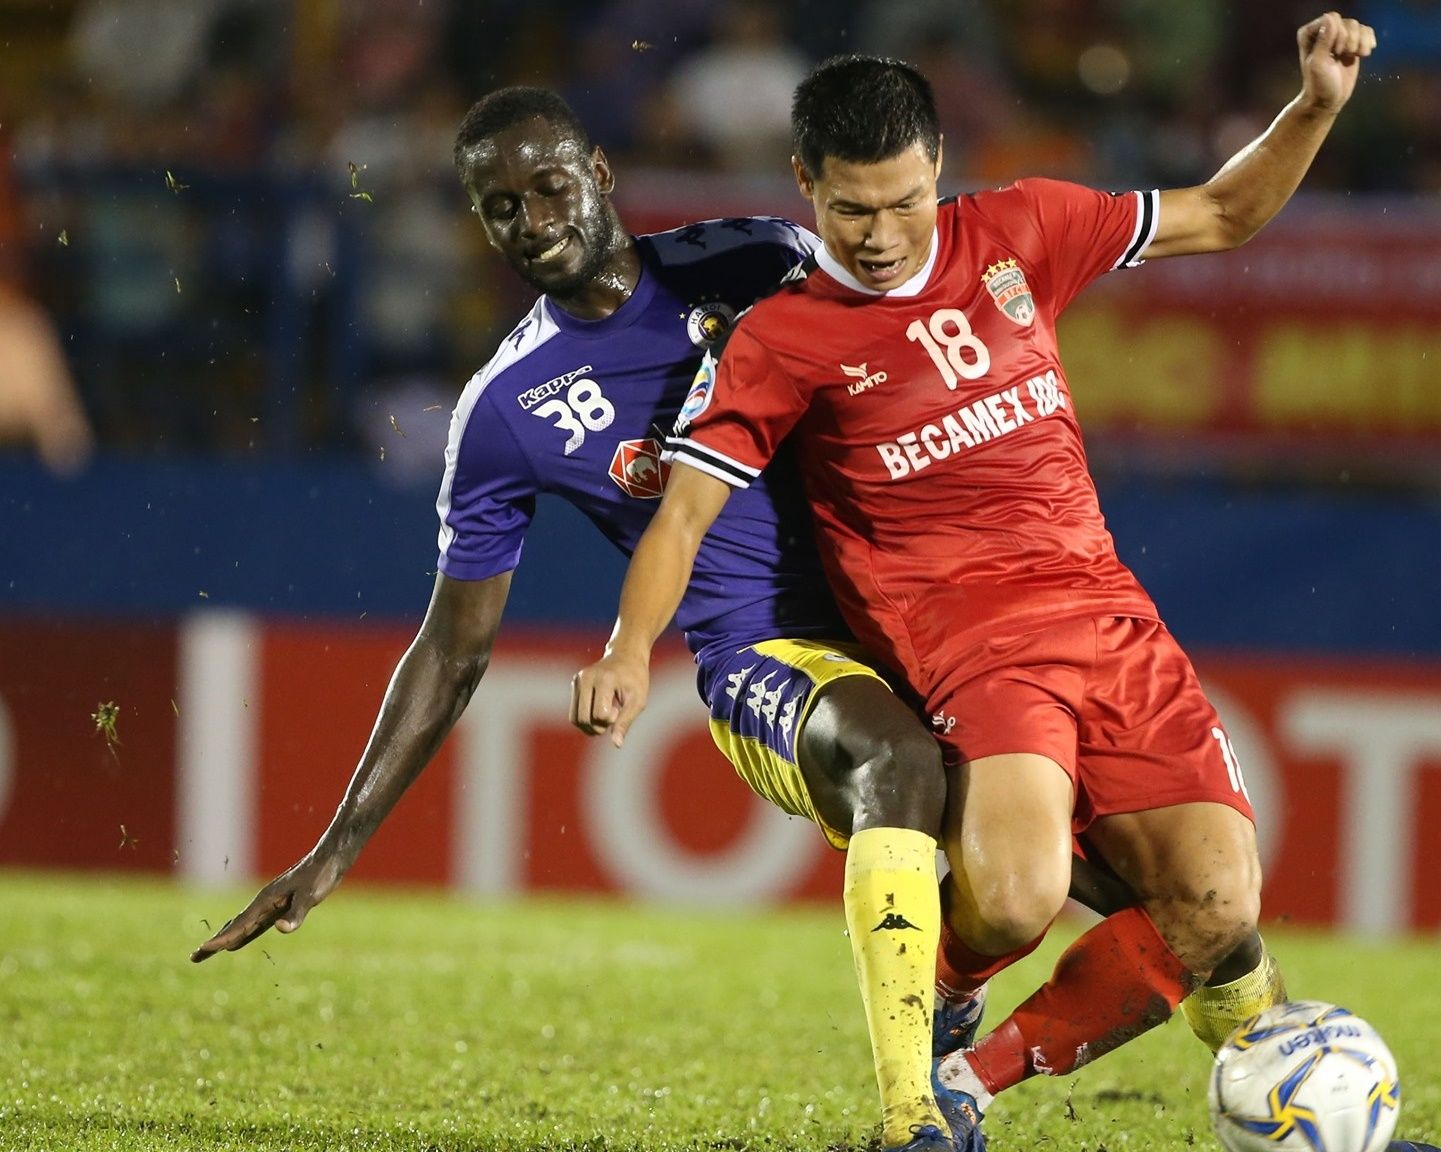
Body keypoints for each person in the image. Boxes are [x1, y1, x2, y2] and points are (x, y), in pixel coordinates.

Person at [571, 10, 1374, 1138]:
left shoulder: (1024, 227)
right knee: (1012, 900)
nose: (881, 235)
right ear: (805, 183)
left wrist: (1314, 107)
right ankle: (946, 986)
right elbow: (686, 512)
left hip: (1111, 621)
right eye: (850, 210)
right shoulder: (781, 339)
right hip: (973, 651)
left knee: (1213, 908)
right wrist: (624, 651)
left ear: (938, 163)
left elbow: (1223, 212)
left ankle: (964, 1081)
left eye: (904, 202)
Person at [189, 86, 974, 1152]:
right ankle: (912, 1120)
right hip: (764, 653)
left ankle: (990, 1006)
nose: (533, 221)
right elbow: (453, 647)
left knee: (1092, 852)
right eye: (501, 207)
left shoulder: (759, 258)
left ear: (600, 174)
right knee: (898, 764)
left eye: (550, 187)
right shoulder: (505, 409)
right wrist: (331, 854)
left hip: (910, 611)